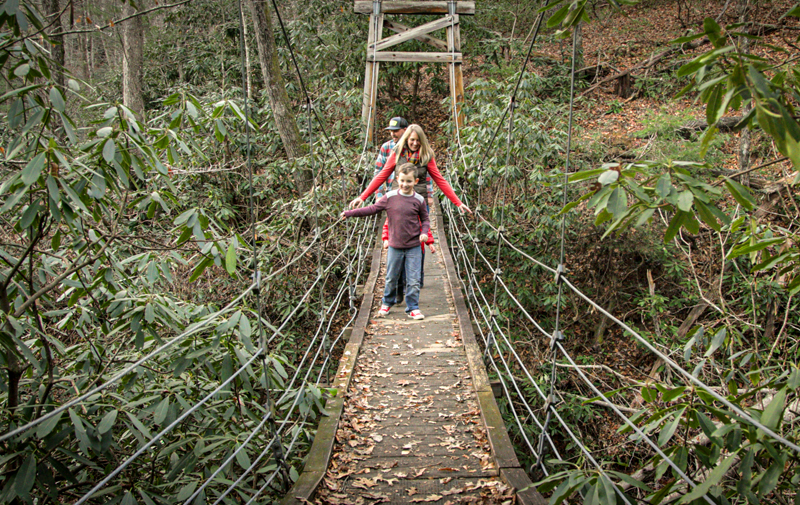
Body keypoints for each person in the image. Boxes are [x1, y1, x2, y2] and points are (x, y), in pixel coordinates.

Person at [342, 163, 429, 320]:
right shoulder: (390, 197)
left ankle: (413, 307)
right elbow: (372, 209)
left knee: (414, 279)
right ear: (397, 180)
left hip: (413, 246)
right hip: (395, 246)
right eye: (402, 180)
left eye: (409, 181)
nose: (405, 184)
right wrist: (350, 213)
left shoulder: (419, 199)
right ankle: (387, 302)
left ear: (415, 182)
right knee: (391, 277)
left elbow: (425, 219)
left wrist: (424, 233)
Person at [382, 217, 435, 305]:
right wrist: (386, 238)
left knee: (412, 275)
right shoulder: (394, 209)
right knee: (398, 271)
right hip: (397, 246)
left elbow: (425, 227)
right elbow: (388, 225)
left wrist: (429, 242)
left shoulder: (416, 211)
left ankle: (411, 300)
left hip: (415, 247)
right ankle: (399, 292)